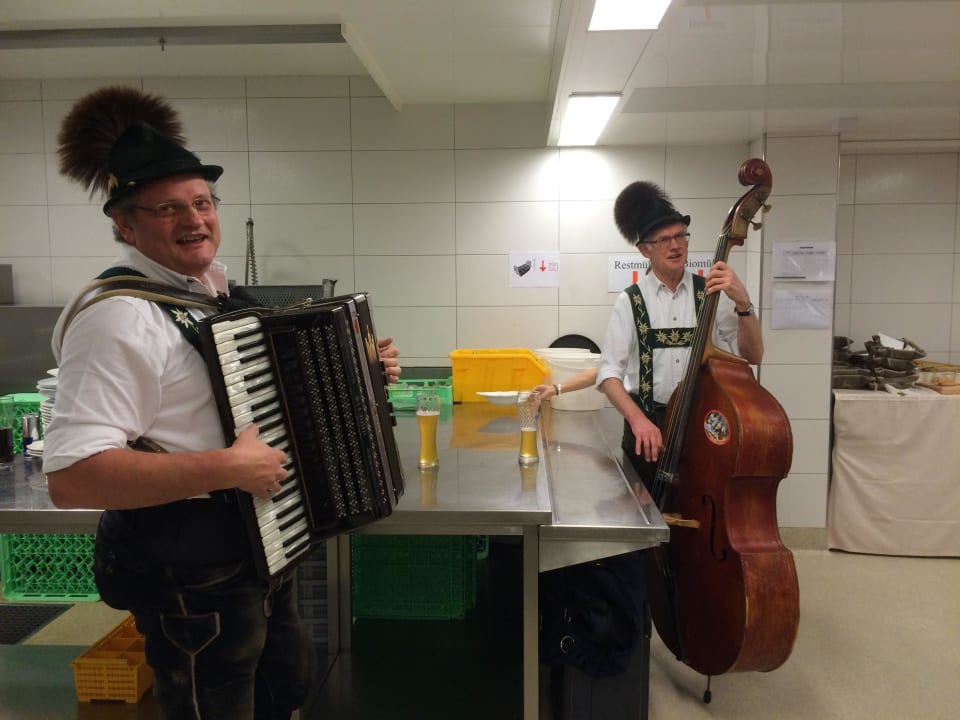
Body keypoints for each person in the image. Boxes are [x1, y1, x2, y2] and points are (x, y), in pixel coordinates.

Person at [42, 85, 400, 720]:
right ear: (125, 224)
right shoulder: (118, 319)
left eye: (202, 202)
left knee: (282, 689)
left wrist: (362, 376)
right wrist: (226, 469)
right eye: (167, 209)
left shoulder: (208, 292)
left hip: (258, 550)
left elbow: (266, 400)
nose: (194, 219)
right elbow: (73, 477)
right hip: (188, 571)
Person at [596, 181, 762, 490]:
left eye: (680, 236)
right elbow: (608, 374)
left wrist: (743, 303)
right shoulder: (630, 301)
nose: (675, 246)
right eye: (664, 240)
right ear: (645, 249)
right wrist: (637, 419)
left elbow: (753, 355)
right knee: (645, 523)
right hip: (648, 430)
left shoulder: (711, 293)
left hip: (702, 424)